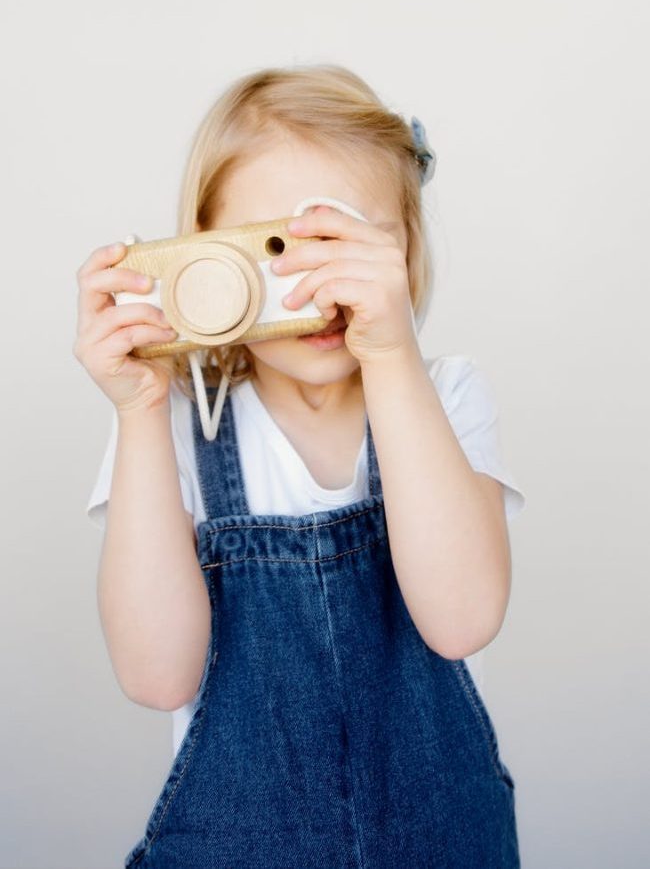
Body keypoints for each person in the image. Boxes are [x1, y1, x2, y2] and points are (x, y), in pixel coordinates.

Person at [74, 64, 527, 868]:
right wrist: (138, 409)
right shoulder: (172, 422)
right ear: (200, 261)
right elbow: (156, 675)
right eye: (271, 249)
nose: (310, 286)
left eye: (343, 245)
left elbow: (460, 620)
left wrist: (389, 352)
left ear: (405, 251)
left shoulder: (445, 397)